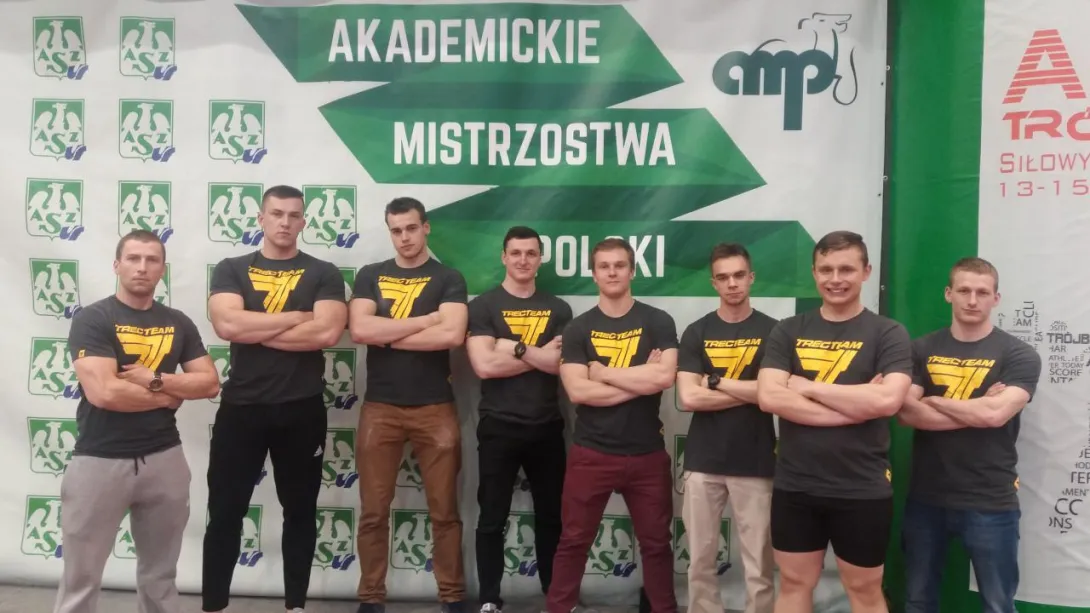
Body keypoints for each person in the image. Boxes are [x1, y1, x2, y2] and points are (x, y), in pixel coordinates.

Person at [55, 230, 219, 613]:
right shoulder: (94, 318)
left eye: (151, 260)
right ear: (117, 265)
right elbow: (105, 393)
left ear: (162, 269)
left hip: (165, 459)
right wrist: (171, 394)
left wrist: (155, 379)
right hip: (98, 461)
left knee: (160, 577)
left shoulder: (178, 322)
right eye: (133, 258)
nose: (142, 267)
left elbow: (210, 383)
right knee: (81, 577)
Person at [203, 185, 348, 613]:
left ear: (304, 222)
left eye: (294, 215)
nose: (285, 222)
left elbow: (327, 332)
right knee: (225, 511)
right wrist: (297, 318)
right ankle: (213, 605)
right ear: (261, 218)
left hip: (302, 410)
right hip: (241, 409)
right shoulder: (232, 268)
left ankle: (295, 605)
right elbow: (227, 326)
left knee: (300, 511)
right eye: (277, 213)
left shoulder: (324, 272)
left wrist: (257, 327)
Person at [756, 231, 913, 613]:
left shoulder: (888, 333)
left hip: (861, 488)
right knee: (793, 584)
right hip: (796, 486)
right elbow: (770, 397)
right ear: (814, 273)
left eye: (846, 269)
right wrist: (858, 405)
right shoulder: (788, 330)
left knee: (864, 591)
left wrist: (809, 388)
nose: (835, 279)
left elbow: (888, 400)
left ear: (866, 272)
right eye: (826, 270)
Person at [896, 257, 1041, 613]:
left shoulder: (1019, 355)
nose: (972, 300)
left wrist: (933, 400)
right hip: (926, 498)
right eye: (963, 290)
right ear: (949, 294)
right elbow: (906, 413)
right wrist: (977, 408)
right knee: (917, 601)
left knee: (997, 604)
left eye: (982, 292)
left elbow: (995, 415)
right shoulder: (920, 349)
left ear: (996, 298)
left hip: (990, 499)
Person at [348, 197, 469, 613]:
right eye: (396, 230)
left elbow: (451, 336)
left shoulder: (448, 277)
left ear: (426, 227)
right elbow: (360, 329)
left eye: (411, 228)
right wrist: (426, 320)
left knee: (445, 511)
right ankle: (371, 598)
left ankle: (452, 596)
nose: (405, 237)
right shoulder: (370, 274)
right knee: (373, 512)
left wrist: (387, 334)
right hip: (380, 407)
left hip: (435, 407)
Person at [547, 238, 679, 613]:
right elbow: (578, 391)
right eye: (604, 266)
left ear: (632, 271)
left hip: (646, 454)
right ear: (594, 274)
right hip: (592, 453)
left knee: (656, 544)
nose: (612, 272)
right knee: (573, 541)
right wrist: (640, 378)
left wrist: (603, 373)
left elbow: (665, 377)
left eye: (619, 265)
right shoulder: (578, 328)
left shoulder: (658, 321)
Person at [464, 226, 572, 613]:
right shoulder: (483, 306)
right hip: (499, 425)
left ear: (540, 259)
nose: (523, 260)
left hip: (547, 426)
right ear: (503, 257)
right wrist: (538, 354)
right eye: (516, 253)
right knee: (492, 518)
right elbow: (484, 366)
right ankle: (489, 599)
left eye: (530, 253)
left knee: (552, 518)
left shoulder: (559, 309)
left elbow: (560, 365)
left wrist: (514, 347)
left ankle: (555, 597)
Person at [676, 243, 778, 613]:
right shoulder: (697, 331)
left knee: (759, 565)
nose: (732, 283)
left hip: (756, 461)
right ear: (714, 283)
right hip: (703, 461)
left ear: (751, 278)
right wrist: (752, 392)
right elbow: (689, 397)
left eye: (738, 275)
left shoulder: (774, 331)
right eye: (723, 277)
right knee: (699, 561)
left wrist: (716, 383)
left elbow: (773, 394)